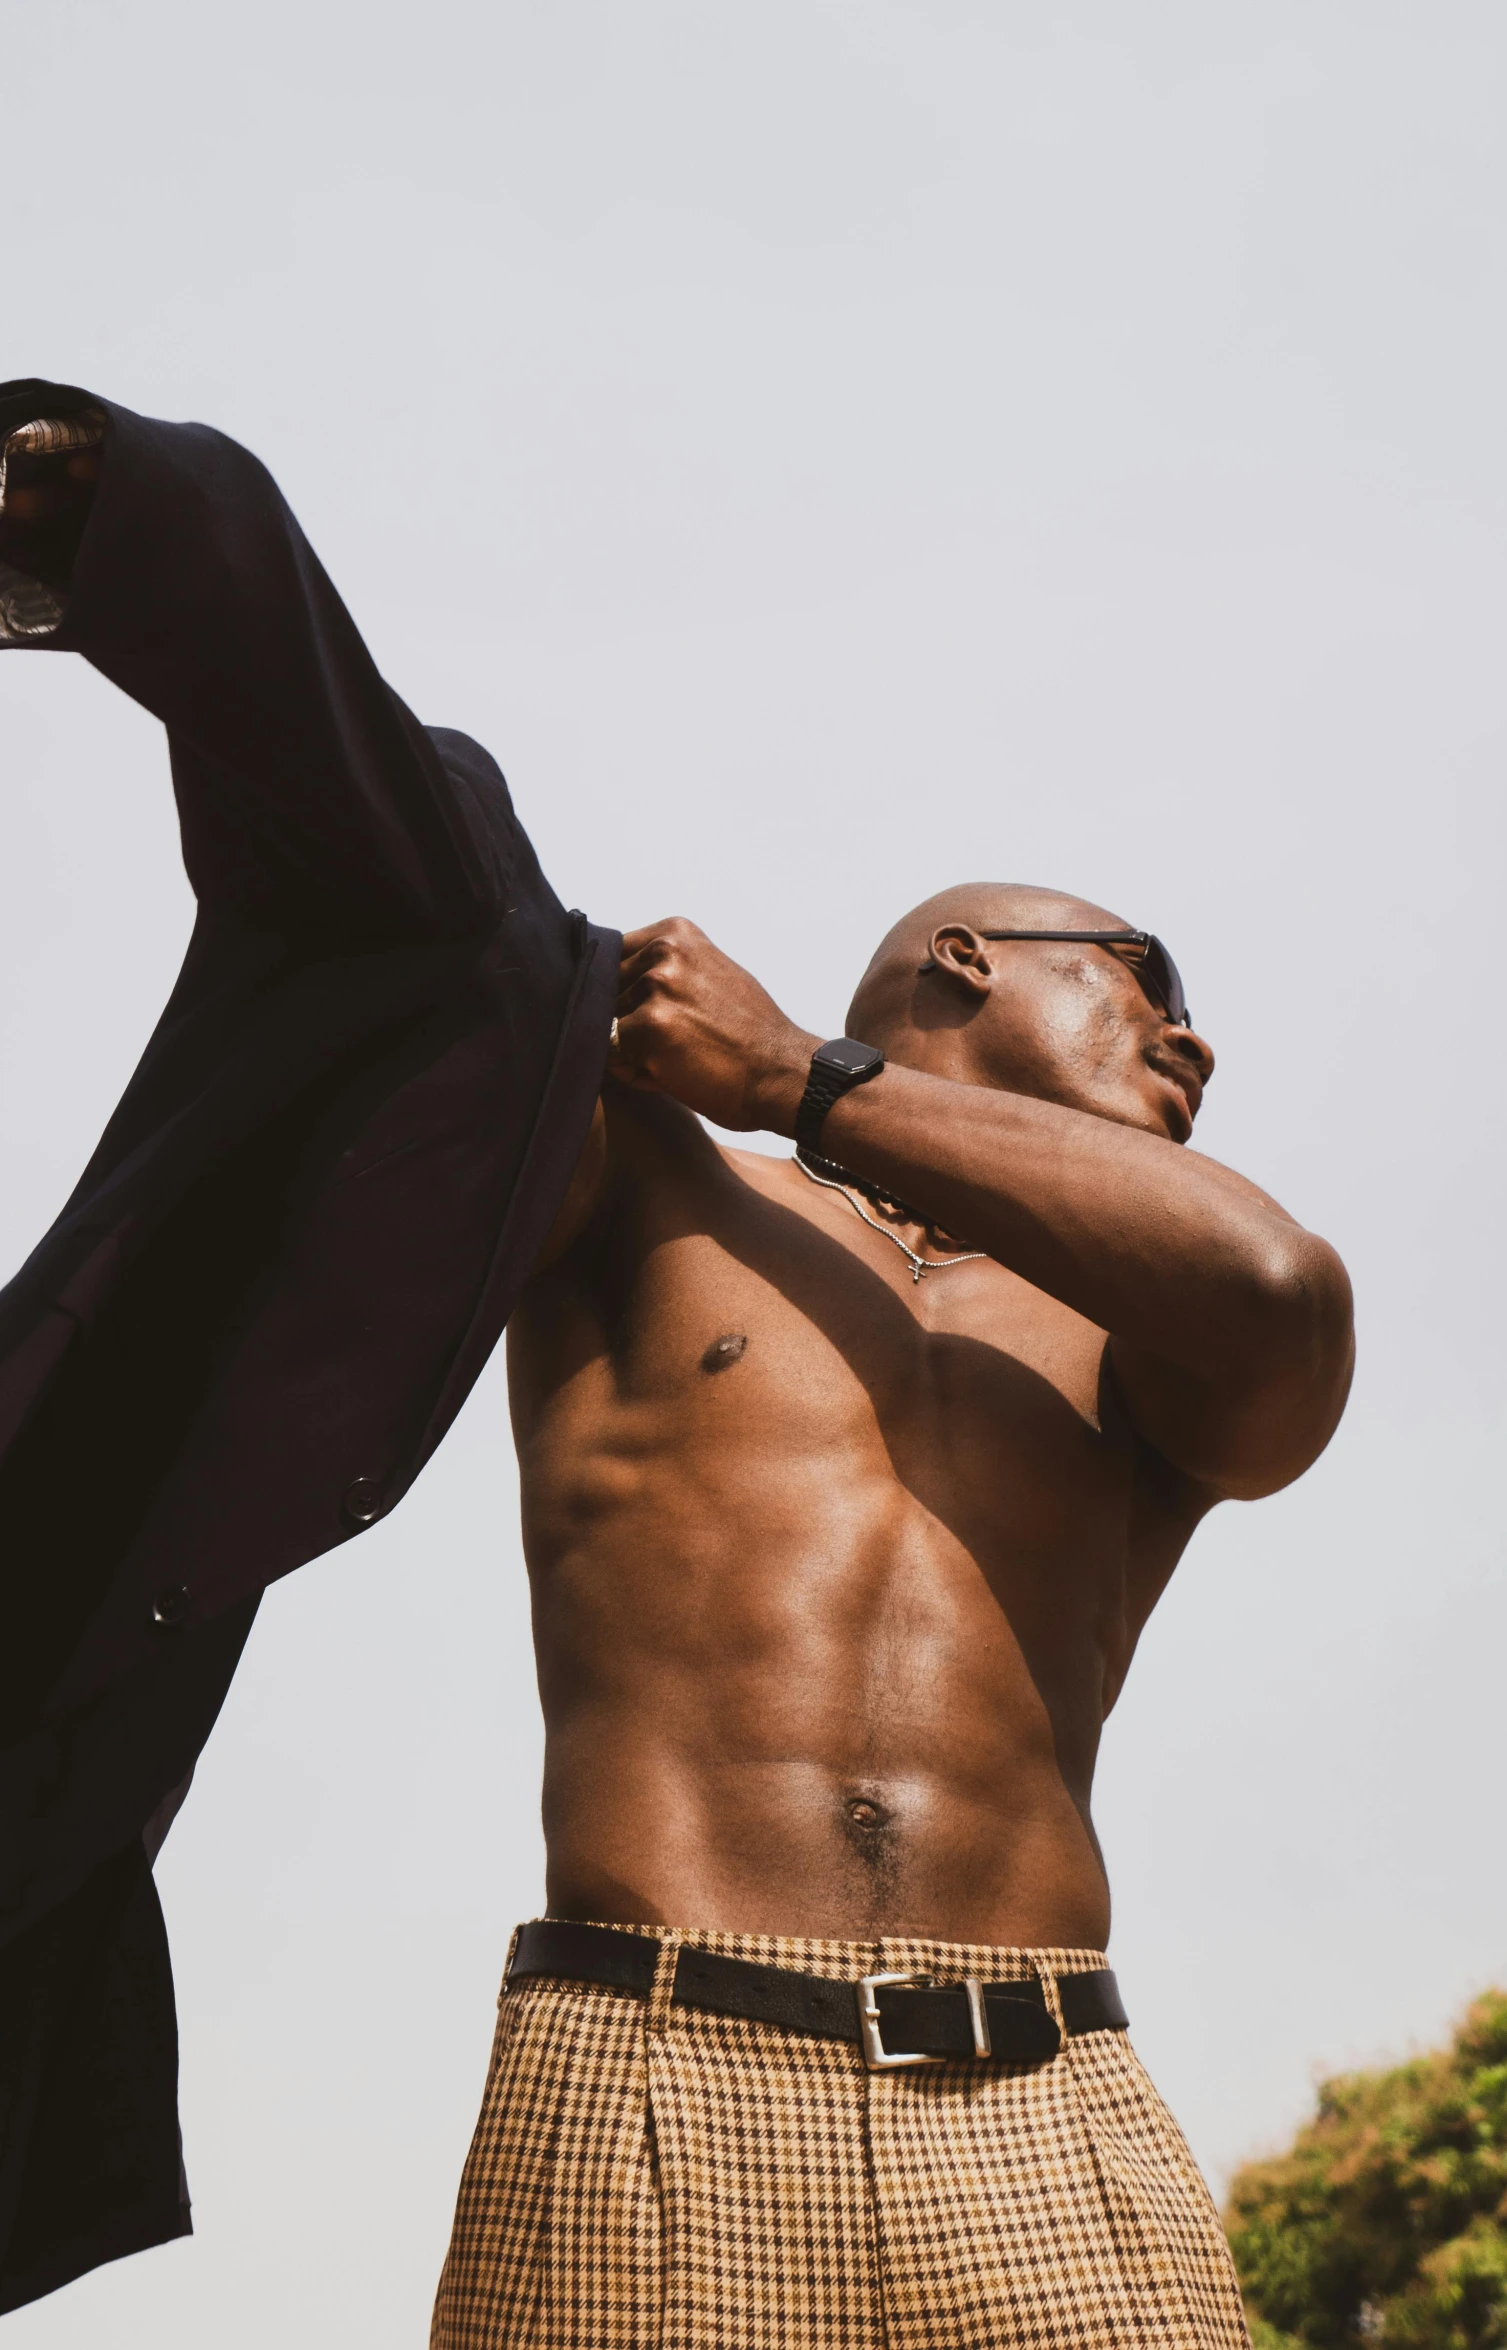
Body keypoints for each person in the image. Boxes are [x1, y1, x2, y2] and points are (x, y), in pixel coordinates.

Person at [429, 902, 1354, 2346]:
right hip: (659, 2065)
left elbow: (1280, 1288)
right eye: (1145, 978)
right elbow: (409, 983)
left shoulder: (1135, 1335)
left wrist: (792, 1068)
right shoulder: (657, 1183)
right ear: (968, 958)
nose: (1195, 1039)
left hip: (1048, 2103)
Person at [0, 384, 616, 2314]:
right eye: (1148, 989)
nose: (1189, 1049)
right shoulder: (470, 948)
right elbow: (365, 795)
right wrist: (102, 504)